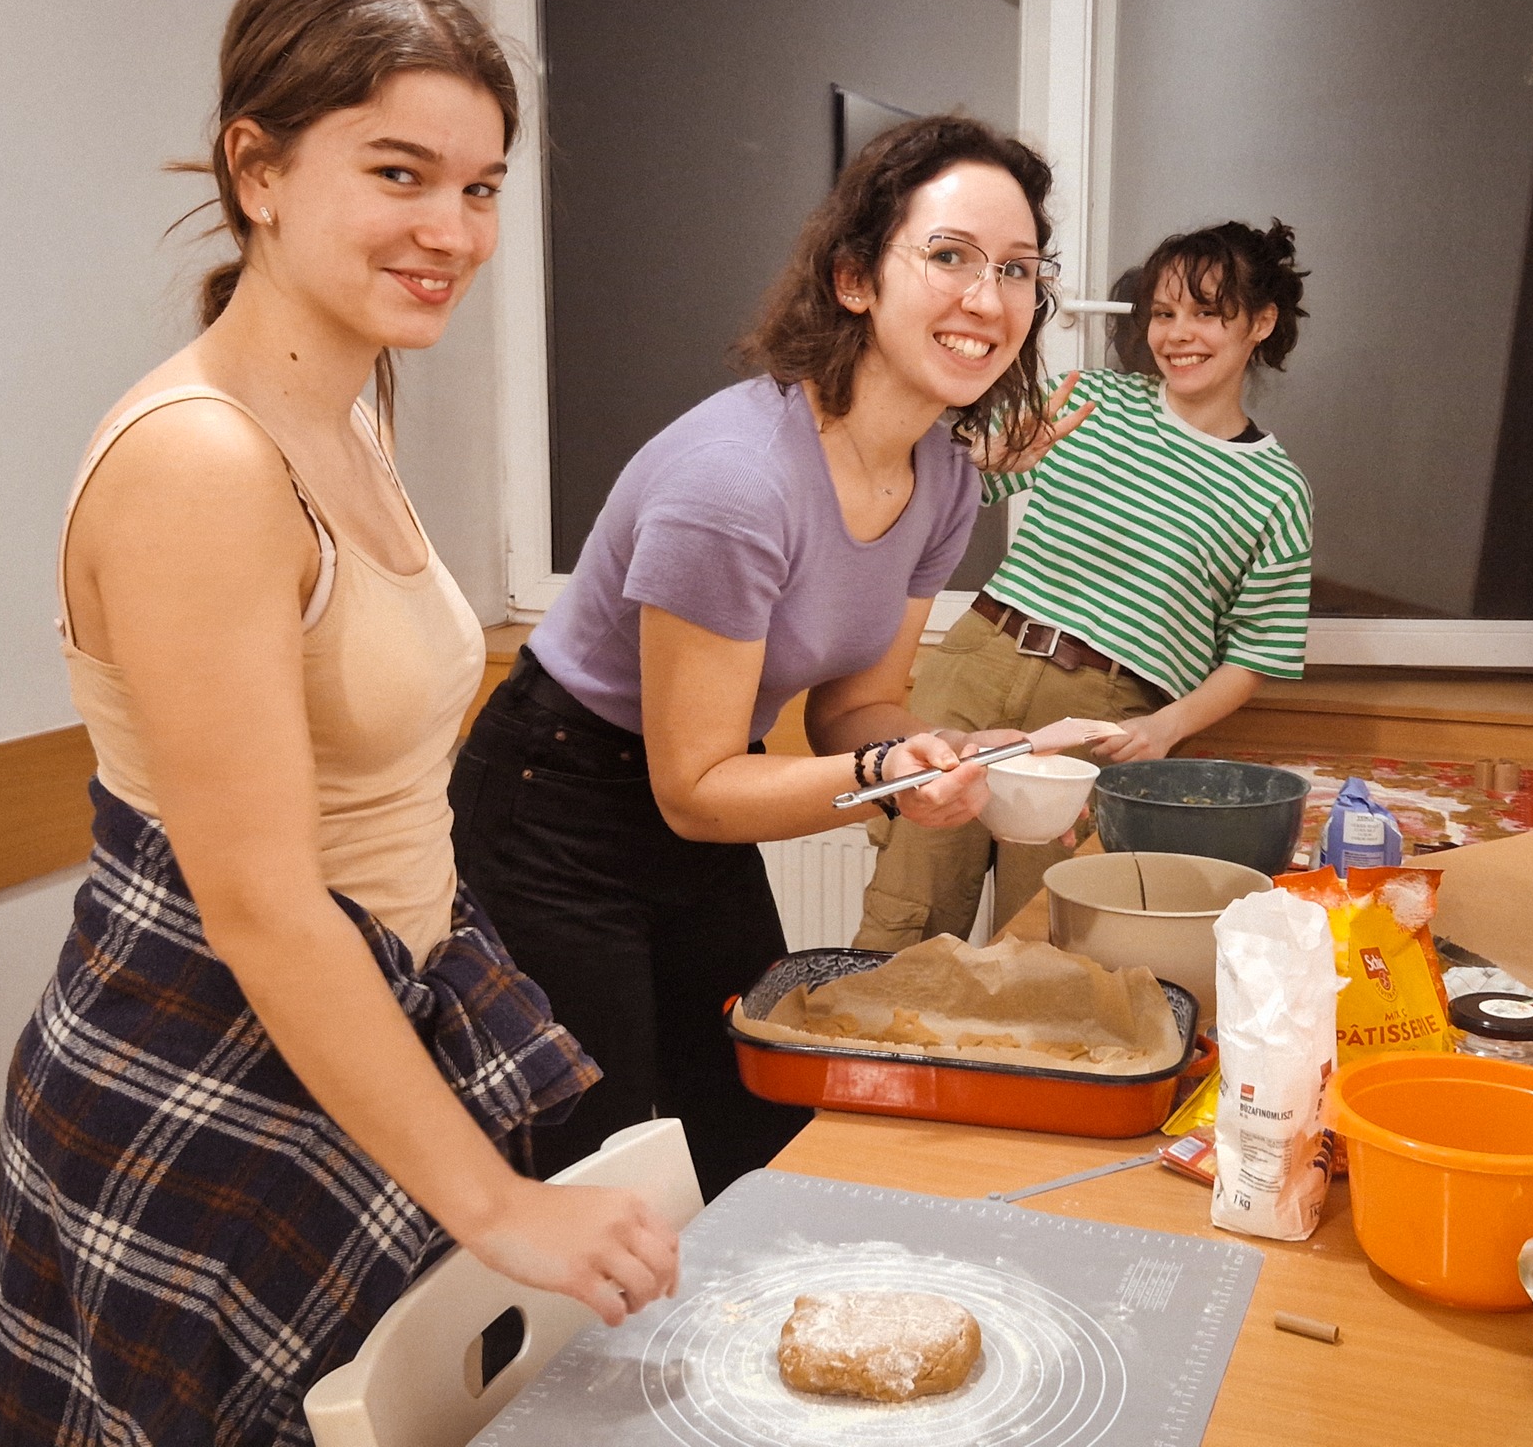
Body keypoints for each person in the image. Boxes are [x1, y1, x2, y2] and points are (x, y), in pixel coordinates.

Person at [0, 0, 677, 1447]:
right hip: (210, 1085)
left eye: (480, 188)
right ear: (259, 169)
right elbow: (258, 903)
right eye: (399, 173)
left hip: (360, 1047)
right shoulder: (200, 459)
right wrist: (498, 1202)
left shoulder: (346, 411)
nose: (453, 231)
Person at [452, 116, 1089, 1197]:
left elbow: (856, 707)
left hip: (709, 790)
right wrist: (886, 779)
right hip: (555, 803)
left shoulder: (940, 479)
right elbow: (693, 789)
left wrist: (954, 757)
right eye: (949, 256)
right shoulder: (735, 482)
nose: (988, 299)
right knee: (599, 1169)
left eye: (1018, 269)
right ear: (853, 278)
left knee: (755, 1120)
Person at [857, 219, 1314, 949]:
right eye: (1163, 313)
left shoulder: (1276, 489)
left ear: (1259, 323)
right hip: (975, 666)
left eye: (1206, 312)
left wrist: (1166, 727)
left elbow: (1257, 652)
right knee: (905, 913)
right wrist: (980, 461)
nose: (1178, 334)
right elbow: (936, 493)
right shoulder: (1089, 401)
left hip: (1099, 717)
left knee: (1043, 941)